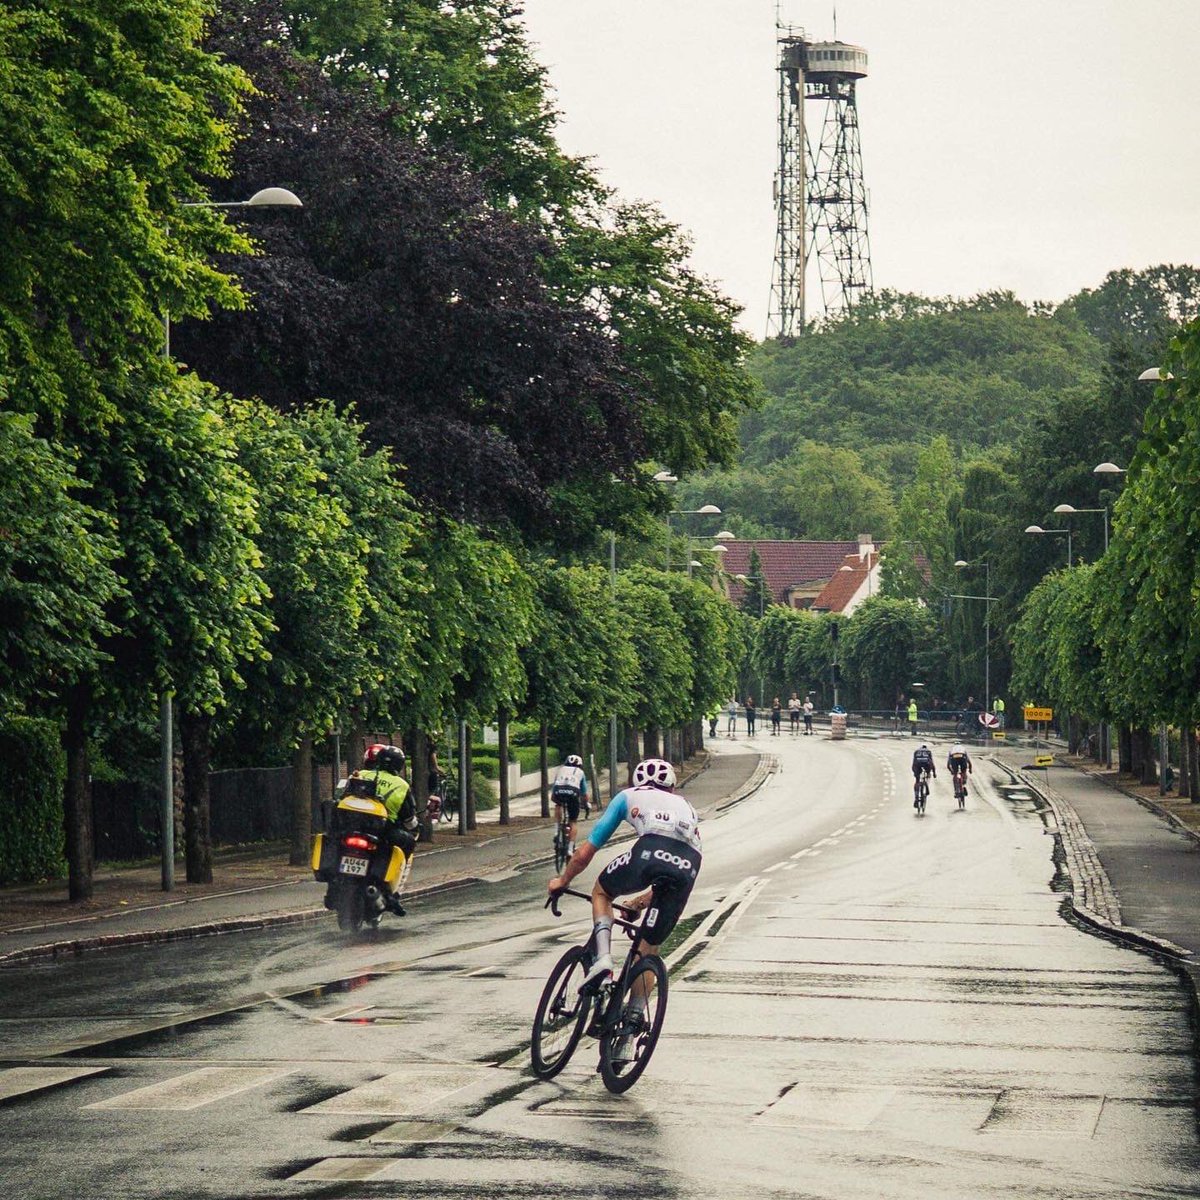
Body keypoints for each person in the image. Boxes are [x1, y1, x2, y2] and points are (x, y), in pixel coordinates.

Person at [548, 757, 702, 993]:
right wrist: (637, 904)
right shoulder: (687, 807)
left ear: (636, 782)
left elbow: (584, 854)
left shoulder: (627, 796)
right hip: (689, 864)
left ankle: (603, 961)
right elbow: (675, 874)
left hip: (647, 852)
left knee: (602, 892)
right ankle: (635, 1013)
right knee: (647, 950)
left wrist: (562, 881)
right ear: (672, 787)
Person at [360, 743, 418, 912]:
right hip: (383, 831)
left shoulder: (362, 774)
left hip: (354, 825)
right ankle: (394, 892)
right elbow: (408, 818)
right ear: (399, 765)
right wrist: (416, 827)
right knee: (408, 844)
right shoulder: (401, 786)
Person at [551, 753, 590, 855]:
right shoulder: (580, 772)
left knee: (558, 804)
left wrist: (555, 799)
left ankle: (556, 830)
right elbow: (584, 794)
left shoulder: (560, 769)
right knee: (573, 821)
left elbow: (554, 789)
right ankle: (570, 848)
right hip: (572, 793)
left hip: (558, 791)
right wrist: (586, 804)